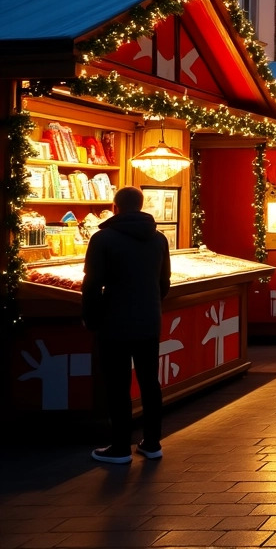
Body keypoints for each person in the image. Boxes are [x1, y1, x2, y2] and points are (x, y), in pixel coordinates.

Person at [82, 186, 171, 464]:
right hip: (149, 320)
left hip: (115, 321)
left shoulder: (103, 238)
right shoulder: (158, 239)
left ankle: (120, 446)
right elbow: (164, 283)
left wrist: (92, 317)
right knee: (149, 382)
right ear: (141, 205)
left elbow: (92, 284)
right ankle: (152, 442)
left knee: (118, 384)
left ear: (114, 206)